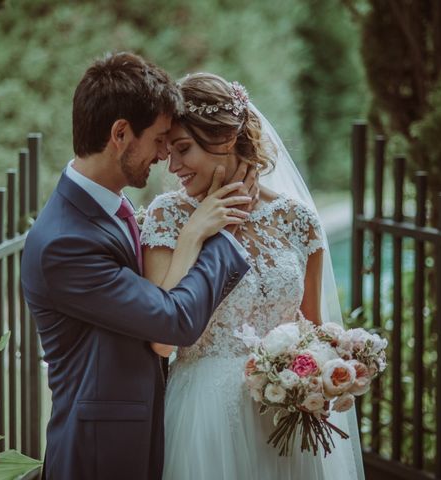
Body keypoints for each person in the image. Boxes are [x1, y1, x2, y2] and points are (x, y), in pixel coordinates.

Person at [20, 54, 255, 480]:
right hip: (101, 455)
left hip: (143, 432)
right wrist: (216, 236)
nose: (165, 154)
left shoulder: (116, 206)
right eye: (161, 139)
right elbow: (173, 319)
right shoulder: (63, 243)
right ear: (121, 134)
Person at [140, 73, 365, 479]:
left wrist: (321, 377)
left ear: (225, 138)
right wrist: (195, 233)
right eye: (168, 151)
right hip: (205, 417)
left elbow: (312, 330)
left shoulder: (298, 220)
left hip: (285, 417)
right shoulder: (168, 216)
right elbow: (160, 338)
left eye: (183, 149)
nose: (172, 166)